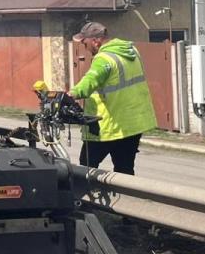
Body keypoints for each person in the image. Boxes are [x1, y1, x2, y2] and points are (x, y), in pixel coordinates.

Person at [67, 21, 158, 175]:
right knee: (125, 169)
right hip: (133, 124)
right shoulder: (131, 51)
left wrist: (71, 94)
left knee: (86, 168)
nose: (84, 47)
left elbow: (90, 81)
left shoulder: (104, 59)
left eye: (84, 43)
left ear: (95, 41)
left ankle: (89, 192)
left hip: (108, 126)